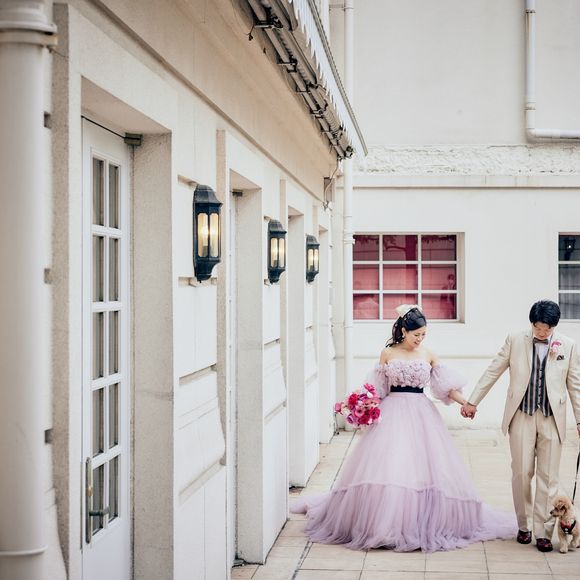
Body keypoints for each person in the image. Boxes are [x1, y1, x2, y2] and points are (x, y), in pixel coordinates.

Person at [291, 304, 516, 552]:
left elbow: (446, 387)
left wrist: (466, 403)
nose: (420, 339)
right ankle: (384, 523)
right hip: (393, 412)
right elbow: (377, 389)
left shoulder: (429, 355)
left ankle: (419, 519)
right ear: (404, 331)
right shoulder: (388, 353)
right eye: (416, 334)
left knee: (422, 465)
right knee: (392, 463)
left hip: (421, 413)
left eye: (424, 335)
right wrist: (360, 404)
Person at [462, 300, 580, 552]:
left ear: (554, 327)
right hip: (522, 415)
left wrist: (579, 419)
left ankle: (544, 531)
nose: (542, 333)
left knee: (549, 477)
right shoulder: (515, 340)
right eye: (538, 328)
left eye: (547, 329)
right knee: (521, 473)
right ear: (531, 324)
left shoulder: (568, 345)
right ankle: (524, 526)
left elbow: (575, 385)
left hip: (552, 418)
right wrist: (473, 401)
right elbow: (493, 370)